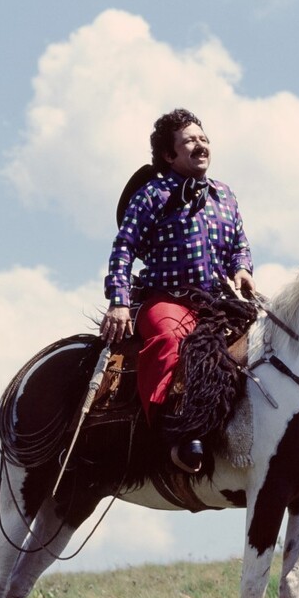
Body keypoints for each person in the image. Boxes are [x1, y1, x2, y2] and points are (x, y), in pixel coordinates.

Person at [100, 108, 255, 473]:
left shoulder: (226, 196)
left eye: (203, 139)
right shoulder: (152, 195)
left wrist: (243, 268)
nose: (200, 145)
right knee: (167, 340)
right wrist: (119, 302)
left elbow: (239, 244)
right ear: (170, 155)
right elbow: (123, 248)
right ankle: (173, 436)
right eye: (190, 141)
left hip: (220, 303)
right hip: (168, 300)